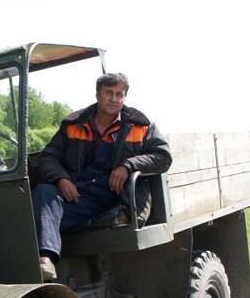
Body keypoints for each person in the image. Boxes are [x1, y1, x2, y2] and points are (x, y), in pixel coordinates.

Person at [32, 72, 172, 281]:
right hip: (78, 195)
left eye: (119, 94)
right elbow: (48, 157)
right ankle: (46, 260)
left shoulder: (140, 125)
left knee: (40, 221)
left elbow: (163, 156)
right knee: (42, 194)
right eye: (109, 93)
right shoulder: (73, 124)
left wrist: (128, 165)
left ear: (124, 97)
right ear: (98, 94)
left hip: (115, 199)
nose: (114, 99)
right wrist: (62, 179)